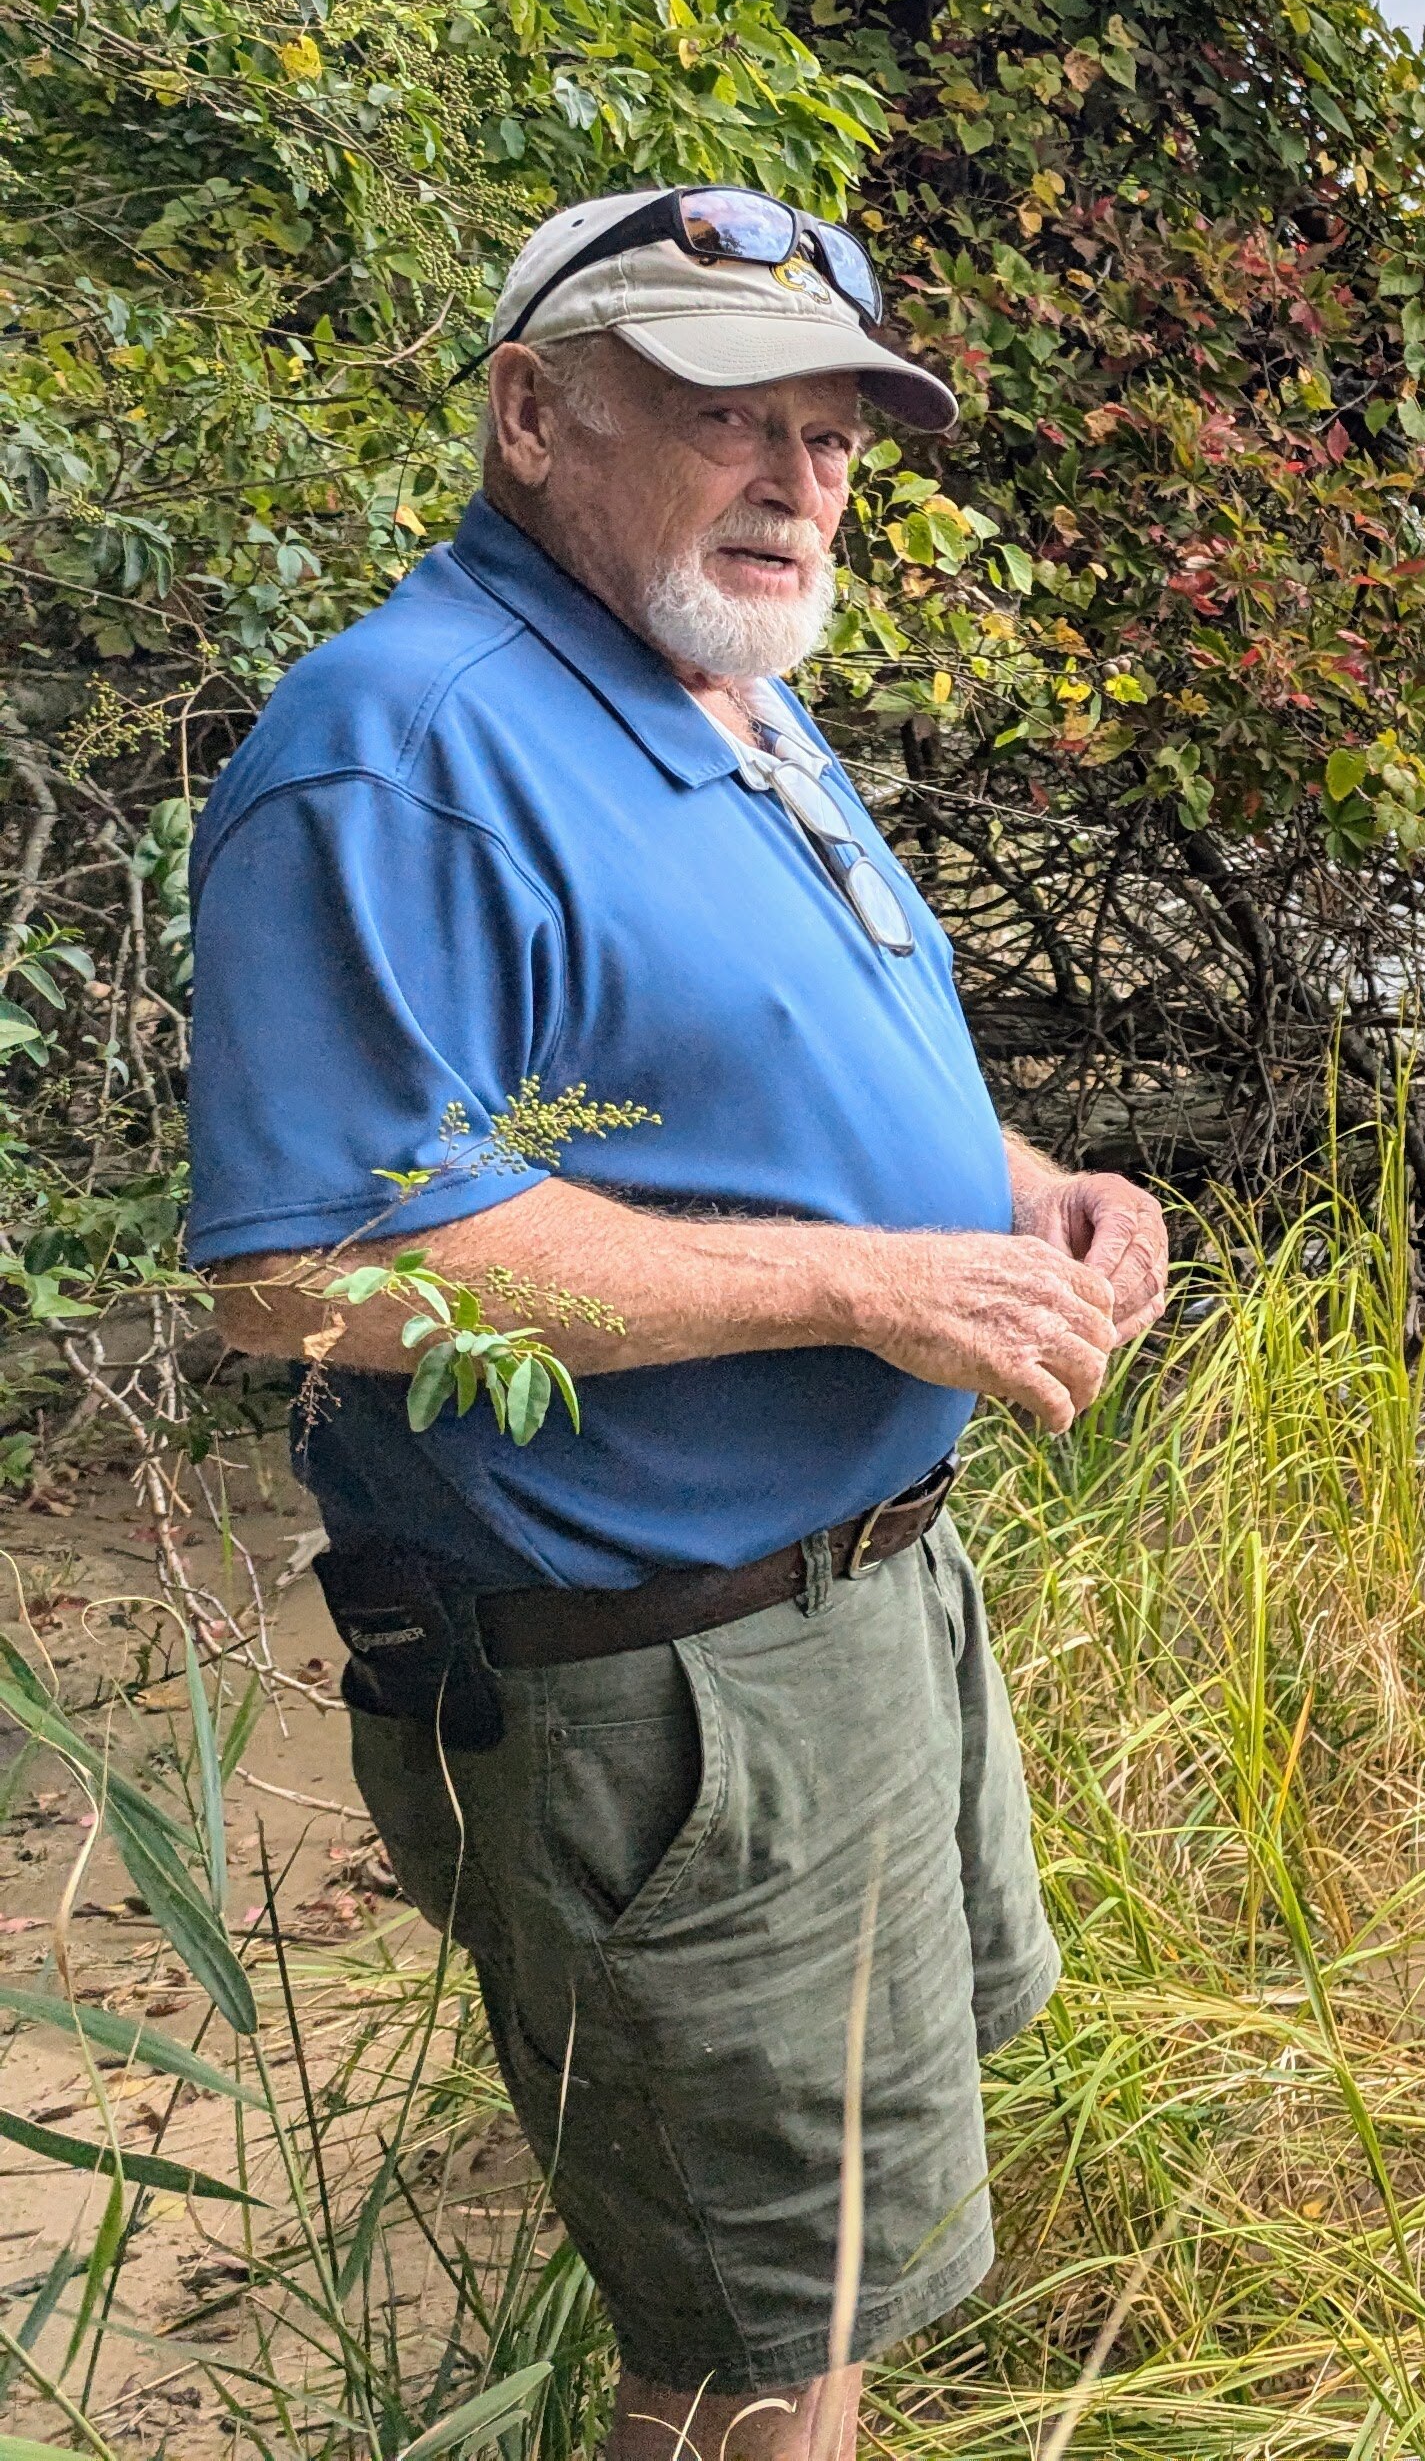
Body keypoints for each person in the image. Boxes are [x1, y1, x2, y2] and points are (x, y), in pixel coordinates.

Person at [187, 188, 1172, 2461]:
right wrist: (866, 1282)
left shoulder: (719, 690)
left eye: (832, 434)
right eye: (729, 413)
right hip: (662, 1689)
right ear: (535, 413)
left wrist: (1023, 1196)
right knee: (749, 2365)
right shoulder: (403, 742)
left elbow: (744, 1076)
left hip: (858, 1617)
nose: (799, 480)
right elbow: (312, 1265)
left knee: (817, 2292)